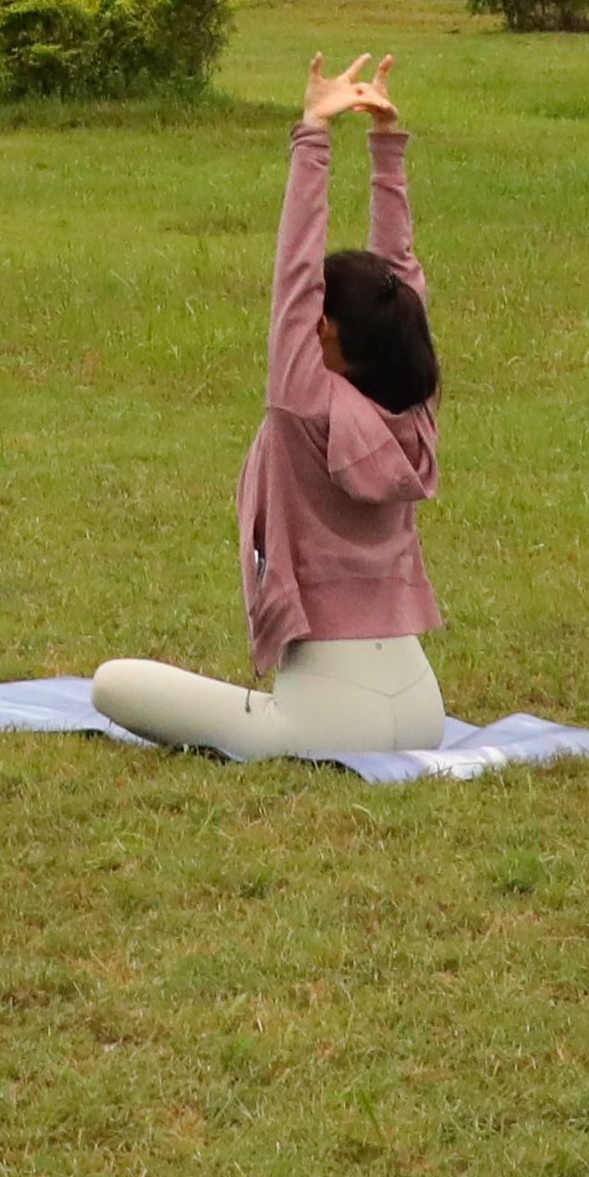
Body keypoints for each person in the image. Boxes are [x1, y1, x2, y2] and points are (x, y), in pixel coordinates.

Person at [90, 51, 447, 761]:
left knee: (110, 683)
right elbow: (399, 278)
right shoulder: (416, 402)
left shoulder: (303, 400)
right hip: (422, 709)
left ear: (324, 327)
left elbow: (295, 268)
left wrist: (314, 131)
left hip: (328, 721)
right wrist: (385, 149)